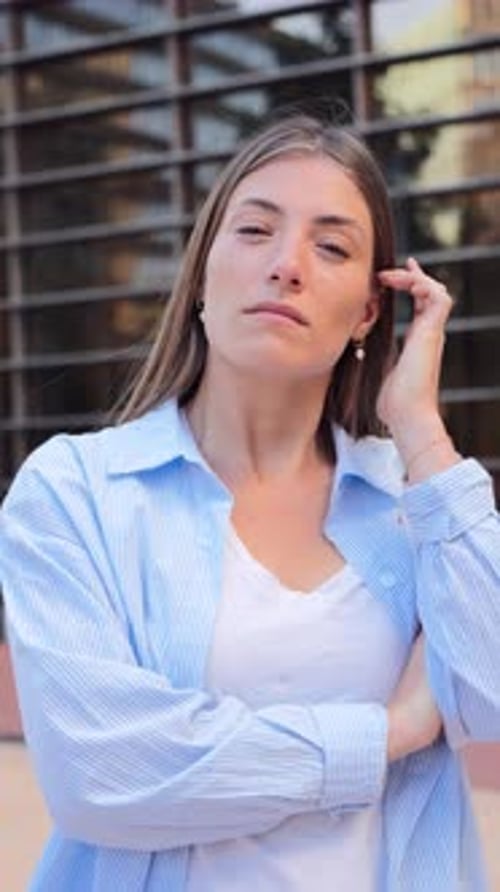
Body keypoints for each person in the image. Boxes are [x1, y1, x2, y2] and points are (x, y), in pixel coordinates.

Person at [1, 113, 499, 892]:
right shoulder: (76, 493)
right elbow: (102, 774)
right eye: (256, 230)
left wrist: (420, 430)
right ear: (202, 276)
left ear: (368, 312)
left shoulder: (412, 502)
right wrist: (391, 732)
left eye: (331, 247)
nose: (286, 266)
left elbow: (492, 693)